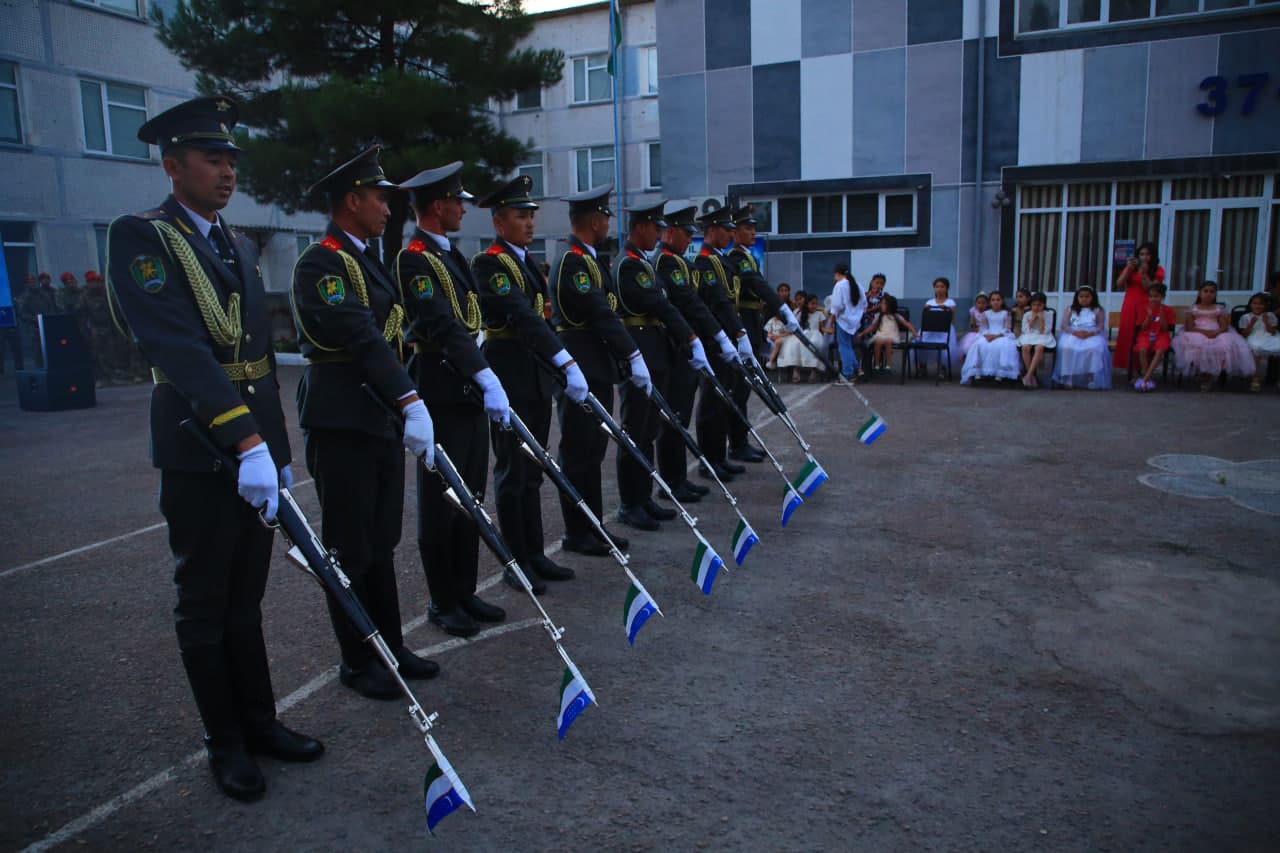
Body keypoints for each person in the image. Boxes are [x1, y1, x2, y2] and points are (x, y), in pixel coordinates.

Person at [106, 96, 321, 802]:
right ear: (173, 167)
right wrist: (247, 439)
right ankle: (224, 742)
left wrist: (274, 448)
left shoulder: (237, 243)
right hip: (199, 446)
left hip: (251, 445)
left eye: (231, 160)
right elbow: (178, 348)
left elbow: (257, 359)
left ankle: (260, 722)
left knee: (245, 599)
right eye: (211, 158)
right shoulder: (143, 238)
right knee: (204, 599)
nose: (227, 172)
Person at [291, 146, 439, 701]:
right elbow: (361, 335)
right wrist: (410, 398)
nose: (387, 207)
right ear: (352, 200)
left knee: (381, 541)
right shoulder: (322, 262)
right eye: (380, 197)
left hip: (374, 416)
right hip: (342, 420)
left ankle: (390, 648)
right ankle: (358, 662)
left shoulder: (366, 258)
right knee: (351, 548)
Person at [394, 162, 510, 638]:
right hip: (440, 388)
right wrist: (484, 374)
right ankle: (442, 600)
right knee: (440, 500)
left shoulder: (451, 255)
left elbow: (469, 318)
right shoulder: (414, 259)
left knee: (471, 496)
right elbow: (441, 323)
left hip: (465, 391)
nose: (463, 208)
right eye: (457, 201)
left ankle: (464, 589)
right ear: (438, 204)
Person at [471, 175, 585, 590]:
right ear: (499, 222)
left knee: (533, 469)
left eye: (531, 215)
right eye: (520, 216)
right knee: (512, 472)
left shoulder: (524, 261)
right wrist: (564, 359)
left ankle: (535, 554)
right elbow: (522, 316)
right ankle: (517, 562)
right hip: (509, 376)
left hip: (533, 377)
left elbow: (540, 318)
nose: (530, 223)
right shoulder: (490, 263)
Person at [550, 184, 648, 556]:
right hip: (581, 365)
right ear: (594, 222)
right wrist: (633, 353)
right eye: (606, 217)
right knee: (578, 453)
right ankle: (577, 532)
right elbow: (600, 312)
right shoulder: (572, 261)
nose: (608, 223)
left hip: (597, 366)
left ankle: (593, 526)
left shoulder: (589, 259)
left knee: (592, 453)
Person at [611, 201, 710, 531]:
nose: (658, 234)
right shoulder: (629, 265)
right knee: (635, 431)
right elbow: (659, 304)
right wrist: (691, 338)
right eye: (655, 228)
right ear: (640, 227)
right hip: (640, 353)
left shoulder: (641, 262)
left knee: (648, 431)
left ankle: (643, 497)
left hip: (655, 352)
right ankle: (630, 503)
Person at [653, 203, 731, 504]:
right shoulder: (665, 263)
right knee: (673, 418)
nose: (689, 238)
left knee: (681, 415)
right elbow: (686, 302)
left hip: (686, 348)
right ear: (670, 232)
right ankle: (671, 482)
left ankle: (679, 478)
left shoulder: (679, 262)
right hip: (675, 348)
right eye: (686, 233)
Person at [726, 205, 795, 460]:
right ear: (734, 232)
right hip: (743, 324)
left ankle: (740, 440)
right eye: (747, 228)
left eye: (754, 228)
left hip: (753, 324)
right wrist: (782, 309)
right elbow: (759, 286)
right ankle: (737, 444)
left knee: (746, 389)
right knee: (740, 388)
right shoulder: (737, 259)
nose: (753, 232)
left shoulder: (747, 257)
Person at [692, 204, 753, 482]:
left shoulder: (721, 260)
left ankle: (719, 456)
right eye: (726, 230)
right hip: (714, 340)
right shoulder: (705, 263)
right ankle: (709, 461)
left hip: (726, 338)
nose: (730, 234)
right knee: (711, 402)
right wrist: (735, 334)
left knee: (724, 399)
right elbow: (718, 302)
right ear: (713, 230)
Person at [1171, 280, 1254, 391]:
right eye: (1205, 291)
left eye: (1212, 291)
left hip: (1217, 332)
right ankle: (1203, 375)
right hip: (1197, 332)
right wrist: (1205, 333)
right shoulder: (1193, 308)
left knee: (1224, 345)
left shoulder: (1218, 308)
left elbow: (1224, 326)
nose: (1208, 294)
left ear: (1215, 294)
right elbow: (1189, 327)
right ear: (1199, 293)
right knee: (1199, 346)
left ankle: (1209, 377)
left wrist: (1216, 332)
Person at [1113, 242, 1165, 369]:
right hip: (1130, 303)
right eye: (1142, 254)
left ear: (1153, 256)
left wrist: (1144, 273)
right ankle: (1129, 367)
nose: (1144, 257)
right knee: (1128, 333)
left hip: (1147, 304)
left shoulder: (1158, 270)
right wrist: (1128, 269)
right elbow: (1119, 284)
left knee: (1144, 334)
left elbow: (1152, 290)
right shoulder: (1132, 267)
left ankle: (1144, 368)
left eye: (1147, 254)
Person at [1052, 285, 1111, 389]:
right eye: (1081, 296)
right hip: (1073, 333)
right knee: (1066, 348)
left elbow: (1100, 325)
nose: (1084, 299)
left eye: (1087, 296)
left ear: (1093, 297)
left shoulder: (1098, 310)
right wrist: (1075, 332)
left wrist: (1090, 333)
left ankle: (1091, 377)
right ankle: (1068, 377)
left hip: (1092, 334)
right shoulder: (1071, 309)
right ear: (1077, 298)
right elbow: (1064, 325)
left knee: (1095, 348)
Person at [961, 290, 1020, 384]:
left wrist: (996, 336)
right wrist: (987, 335)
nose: (995, 302)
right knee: (979, 345)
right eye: (993, 300)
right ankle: (978, 372)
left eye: (998, 300)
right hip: (988, 334)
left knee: (1002, 346)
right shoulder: (986, 313)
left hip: (1002, 335)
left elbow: (1007, 328)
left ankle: (1000, 374)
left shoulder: (1006, 313)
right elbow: (983, 328)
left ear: (1002, 301)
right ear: (990, 302)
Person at [1132, 283, 1176, 392]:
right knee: (1142, 349)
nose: (1153, 299)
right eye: (1150, 296)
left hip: (1161, 335)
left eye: (1156, 296)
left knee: (1160, 350)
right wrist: (1148, 317)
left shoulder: (1168, 310)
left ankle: (1145, 379)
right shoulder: (1143, 308)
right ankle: (1147, 377)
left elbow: (1166, 329)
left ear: (1162, 297)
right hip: (1145, 334)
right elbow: (1142, 328)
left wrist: (1162, 317)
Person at [861, 293, 915, 375]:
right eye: (882, 303)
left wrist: (914, 331)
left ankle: (888, 365)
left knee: (888, 341)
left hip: (891, 335)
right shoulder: (879, 316)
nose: (882, 306)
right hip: (881, 334)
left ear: (890, 306)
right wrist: (863, 333)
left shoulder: (895, 316)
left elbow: (906, 323)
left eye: (884, 304)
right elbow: (873, 327)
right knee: (878, 342)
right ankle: (877, 365)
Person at [828, 263, 864, 382]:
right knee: (848, 346)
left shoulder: (839, 285)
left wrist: (833, 317)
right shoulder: (857, 285)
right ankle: (857, 368)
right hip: (855, 320)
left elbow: (837, 305)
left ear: (837, 273)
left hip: (843, 319)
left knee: (843, 347)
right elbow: (864, 303)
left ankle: (848, 373)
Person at [1238, 292, 1280, 392]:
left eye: (1260, 304)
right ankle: (1255, 378)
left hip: (1268, 336)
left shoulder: (1270, 315)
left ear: (1265, 305)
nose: (1257, 306)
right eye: (1255, 303)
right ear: (1250, 304)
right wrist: (1251, 323)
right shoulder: (1246, 317)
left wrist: (1266, 322)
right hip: (1254, 336)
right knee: (1256, 349)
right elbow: (1245, 334)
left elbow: (1273, 332)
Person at [919, 276, 958, 377]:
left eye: (942, 287)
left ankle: (943, 368)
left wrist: (946, 309)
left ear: (947, 288)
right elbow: (925, 318)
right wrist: (926, 309)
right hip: (930, 330)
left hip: (944, 330)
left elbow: (952, 319)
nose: (939, 289)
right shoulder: (929, 302)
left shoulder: (950, 302)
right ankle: (922, 366)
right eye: (937, 287)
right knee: (921, 340)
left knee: (944, 345)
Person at [1017, 291, 1056, 388]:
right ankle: (1032, 376)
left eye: (1039, 305)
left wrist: (1041, 319)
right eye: (1034, 305)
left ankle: (1028, 376)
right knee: (1025, 347)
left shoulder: (1049, 314)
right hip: (1030, 335)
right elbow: (1025, 330)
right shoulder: (1027, 314)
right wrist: (1032, 319)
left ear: (1044, 304)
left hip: (1043, 336)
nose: (1036, 307)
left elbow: (1045, 331)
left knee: (1039, 347)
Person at [958, 292, 989, 363]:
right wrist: (974, 328)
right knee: (968, 344)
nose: (981, 305)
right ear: (976, 303)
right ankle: (966, 356)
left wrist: (983, 330)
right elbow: (972, 324)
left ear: (987, 304)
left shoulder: (988, 312)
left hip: (986, 331)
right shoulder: (973, 311)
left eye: (983, 303)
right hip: (976, 331)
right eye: (979, 303)